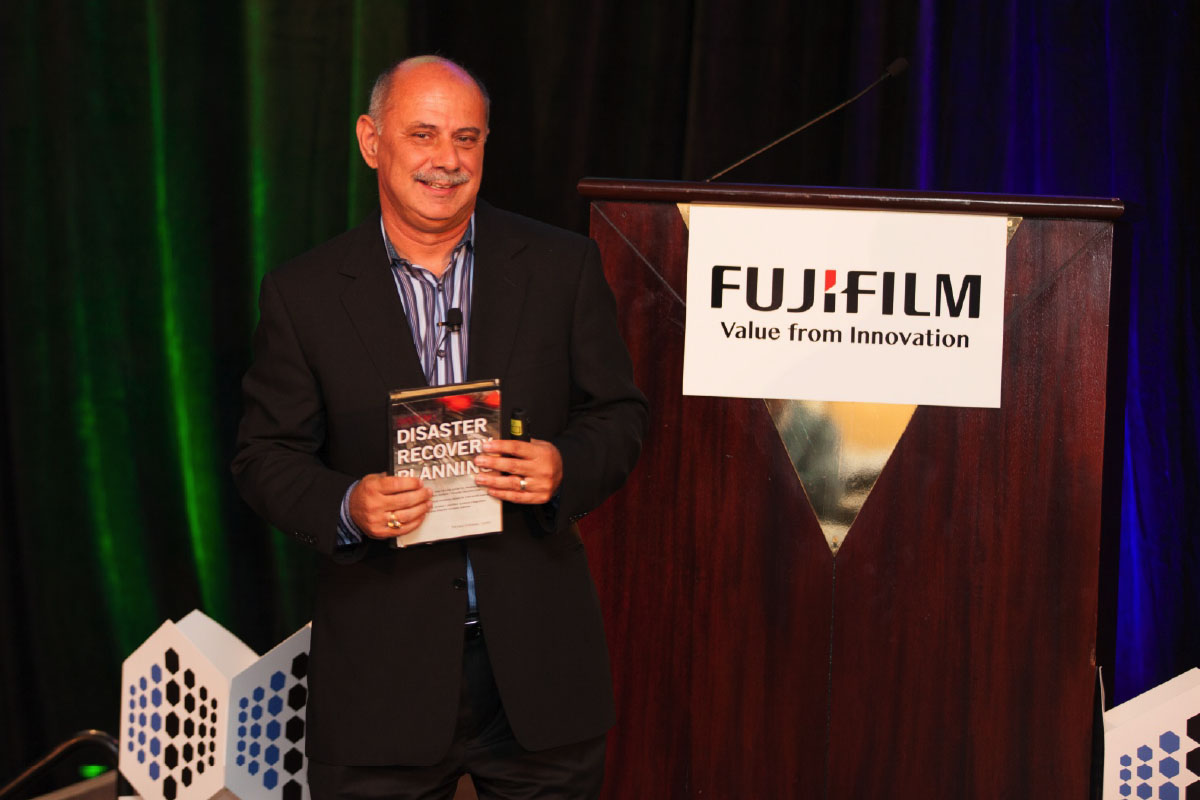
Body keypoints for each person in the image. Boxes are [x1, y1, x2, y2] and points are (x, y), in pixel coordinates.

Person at [232, 55, 647, 799]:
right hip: (380, 678)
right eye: (422, 134)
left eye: (466, 137)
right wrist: (348, 504)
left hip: (539, 670)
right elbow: (266, 456)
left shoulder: (563, 266)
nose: (447, 160)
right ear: (371, 141)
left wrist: (564, 464)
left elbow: (619, 415)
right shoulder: (304, 293)